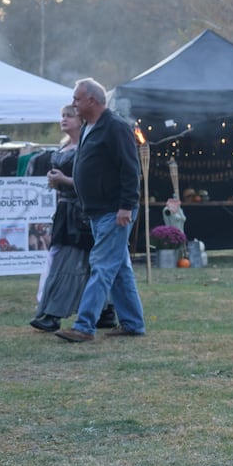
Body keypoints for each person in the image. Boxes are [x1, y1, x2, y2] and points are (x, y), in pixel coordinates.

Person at [55, 78, 147, 342]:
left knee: (102, 266)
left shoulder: (116, 127)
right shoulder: (88, 127)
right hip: (97, 211)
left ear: (92, 101)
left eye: (77, 99)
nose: (74, 104)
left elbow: (131, 170)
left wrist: (126, 207)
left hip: (114, 211)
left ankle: (84, 326)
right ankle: (133, 323)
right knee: (119, 269)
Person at [30, 105, 92, 332]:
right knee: (73, 260)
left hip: (81, 212)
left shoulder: (86, 147)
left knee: (72, 262)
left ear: (80, 120)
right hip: (64, 210)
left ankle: (53, 314)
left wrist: (64, 180)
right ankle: (105, 310)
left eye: (69, 116)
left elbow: (91, 184)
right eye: (62, 116)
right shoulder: (64, 146)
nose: (64, 120)